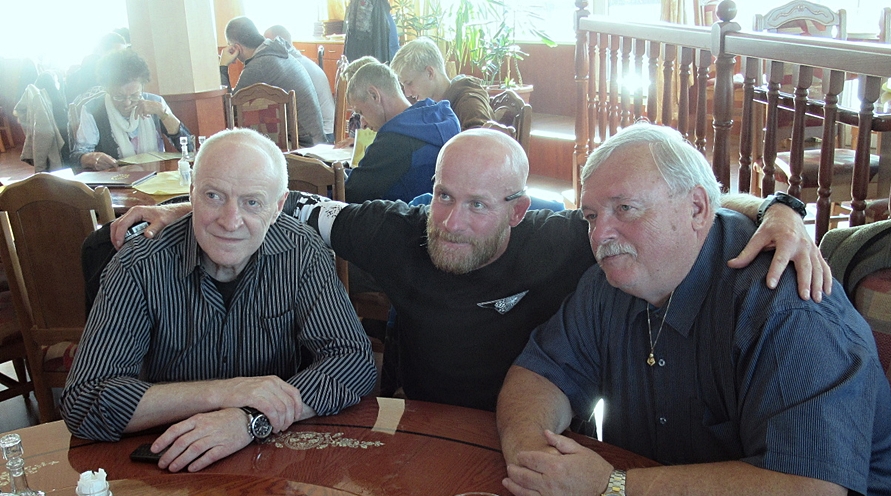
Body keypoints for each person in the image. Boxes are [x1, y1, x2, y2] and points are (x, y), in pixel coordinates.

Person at [496, 124, 891, 496]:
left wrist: (610, 492)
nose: (600, 234)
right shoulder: (614, 283)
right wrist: (536, 465)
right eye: (592, 215)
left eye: (625, 209)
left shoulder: (786, 305)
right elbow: (538, 374)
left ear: (697, 209)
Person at [110, 129, 829, 413]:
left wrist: (784, 210)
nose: (451, 221)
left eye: (478, 205)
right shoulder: (397, 229)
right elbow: (282, 203)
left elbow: (686, 206)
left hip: (532, 435)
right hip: (417, 428)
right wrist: (191, 208)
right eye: (443, 196)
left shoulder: (570, 238)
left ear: (517, 211)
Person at [63, 128, 376, 473]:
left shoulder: (301, 253)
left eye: (252, 202)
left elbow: (353, 360)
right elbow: (85, 401)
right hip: (168, 464)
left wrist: (250, 419)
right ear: (192, 194)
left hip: (276, 460)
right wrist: (228, 392)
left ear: (277, 207)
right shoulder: (139, 265)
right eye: (213, 196)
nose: (230, 221)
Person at [343, 61, 460, 203]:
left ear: (374, 95)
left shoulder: (393, 140)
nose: (363, 123)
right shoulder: (442, 118)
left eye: (361, 112)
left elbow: (350, 193)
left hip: (407, 215)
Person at [71, 48, 192, 171]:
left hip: (157, 175)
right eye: (118, 97)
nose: (127, 103)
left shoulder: (155, 103)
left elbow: (189, 147)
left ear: (142, 87)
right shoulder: (94, 109)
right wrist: (90, 158)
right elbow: (77, 155)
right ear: (107, 89)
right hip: (115, 177)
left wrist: (163, 113)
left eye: (134, 96)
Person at [220, 16, 325, 147]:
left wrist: (223, 66)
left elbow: (229, 111)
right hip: (314, 138)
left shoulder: (259, 66)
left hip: (301, 145)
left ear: (236, 47)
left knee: (244, 146)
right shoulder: (276, 51)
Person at [390, 37, 492, 131]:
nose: (407, 93)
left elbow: (484, 140)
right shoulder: (431, 107)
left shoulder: (469, 102)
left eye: (409, 83)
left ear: (430, 73)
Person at [264, 25, 337, 143]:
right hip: (327, 130)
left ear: (278, 43)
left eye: (266, 44)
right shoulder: (300, 61)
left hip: (321, 136)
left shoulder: (289, 67)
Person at [64, 32, 126, 107]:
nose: (122, 59)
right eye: (117, 54)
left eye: (124, 54)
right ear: (103, 52)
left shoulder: (79, 73)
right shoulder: (93, 75)